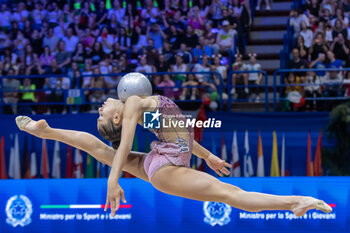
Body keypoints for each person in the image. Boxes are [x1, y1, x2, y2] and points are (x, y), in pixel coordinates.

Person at [16, 94, 332, 218]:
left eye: (102, 107)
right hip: (166, 166)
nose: (102, 105)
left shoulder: (144, 114)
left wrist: (207, 155)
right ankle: (295, 202)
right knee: (231, 194)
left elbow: (178, 130)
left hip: (161, 161)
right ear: (116, 119)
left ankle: (47, 132)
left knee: (101, 152)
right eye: (103, 111)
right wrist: (112, 183)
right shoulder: (135, 106)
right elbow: (124, 146)